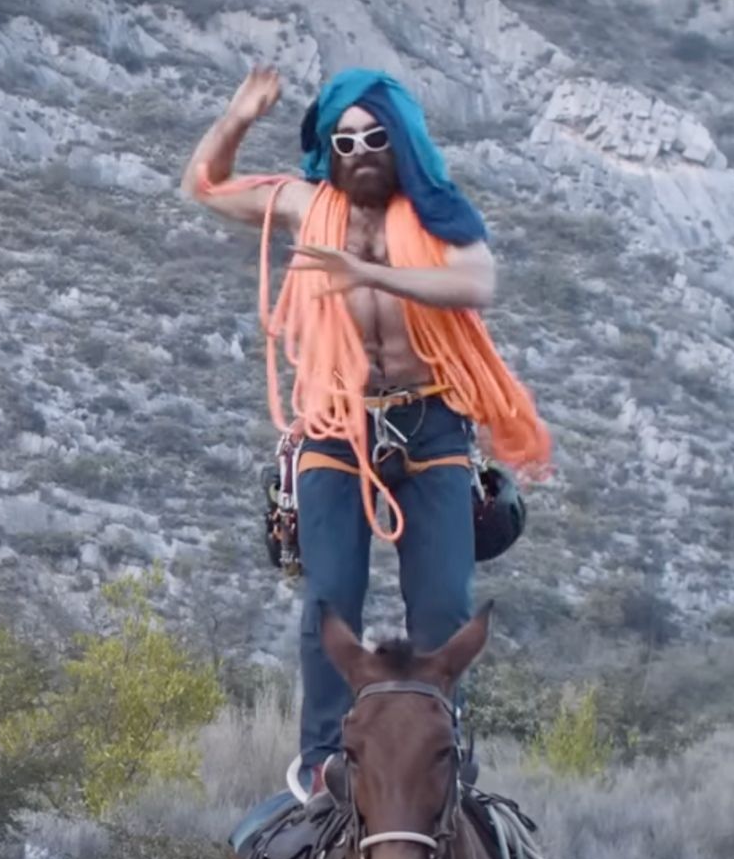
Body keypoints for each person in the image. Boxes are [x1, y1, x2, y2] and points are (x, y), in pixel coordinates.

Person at [181, 65, 550, 799]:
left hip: (432, 416)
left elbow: (479, 282)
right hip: (335, 423)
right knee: (330, 598)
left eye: (375, 135)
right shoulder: (304, 205)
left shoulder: (440, 213)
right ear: (328, 145)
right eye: (343, 137)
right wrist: (237, 117)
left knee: (443, 604)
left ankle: (443, 748)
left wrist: (370, 275)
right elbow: (204, 185)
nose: (359, 149)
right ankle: (324, 759)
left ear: (401, 138)